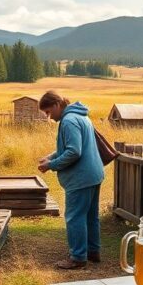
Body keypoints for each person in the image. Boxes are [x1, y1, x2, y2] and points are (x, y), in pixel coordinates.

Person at [37, 91, 104, 270]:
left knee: (75, 217)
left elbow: (74, 151)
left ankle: (78, 257)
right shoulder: (81, 116)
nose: (49, 117)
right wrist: (50, 157)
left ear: (57, 104)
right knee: (91, 216)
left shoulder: (68, 121)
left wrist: (51, 165)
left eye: (48, 112)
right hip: (94, 174)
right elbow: (69, 147)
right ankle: (93, 251)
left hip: (80, 177)